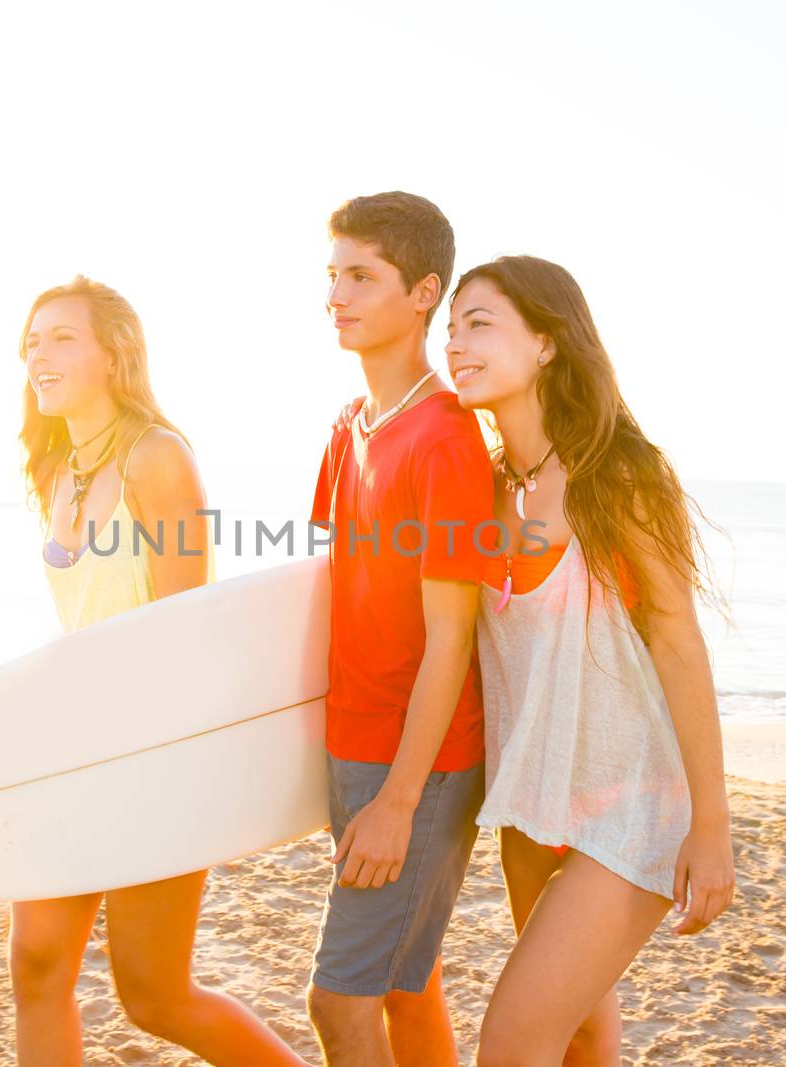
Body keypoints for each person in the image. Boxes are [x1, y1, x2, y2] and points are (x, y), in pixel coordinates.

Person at [443, 255, 736, 1066]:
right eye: (450, 329)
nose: (457, 345)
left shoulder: (618, 474)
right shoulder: (486, 485)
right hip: (534, 804)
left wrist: (711, 824)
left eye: (479, 323)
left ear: (545, 342)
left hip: (629, 802)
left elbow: (678, 640)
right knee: (577, 1031)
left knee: (510, 1040)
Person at [11, 276, 304, 1066]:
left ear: (114, 353)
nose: (40, 353)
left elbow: (188, 633)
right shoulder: (54, 469)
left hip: (155, 755)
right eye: (33, 339)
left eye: (63, 337)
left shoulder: (158, 458)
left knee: (154, 995)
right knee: (36, 963)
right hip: (69, 749)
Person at [306, 192, 495, 1066]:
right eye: (332, 275)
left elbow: (451, 640)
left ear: (423, 292)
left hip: (414, 767)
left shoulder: (445, 439)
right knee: (405, 988)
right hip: (352, 745)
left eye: (361, 277)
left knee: (339, 1005)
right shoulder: (349, 431)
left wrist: (398, 801)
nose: (337, 295)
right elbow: (331, 599)